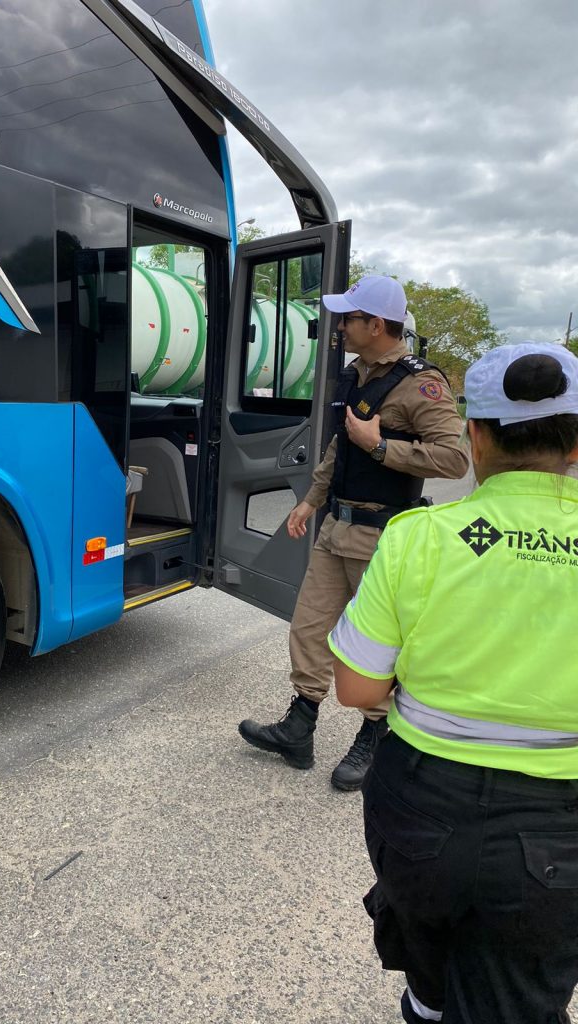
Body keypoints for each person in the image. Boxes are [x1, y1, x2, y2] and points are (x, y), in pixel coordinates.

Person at [329, 342, 578, 1023]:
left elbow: (356, 689)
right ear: (576, 444)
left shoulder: (418, 536)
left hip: (421, 809)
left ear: (476, 436)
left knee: (430, 989)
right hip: (559, 824)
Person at [238, 275, 469, 790]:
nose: (340, 326)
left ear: (377, 325)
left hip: (382, 535)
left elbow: (453, 459)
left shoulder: (420, 384)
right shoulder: (355, 374)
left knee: (376, 643)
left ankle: (374, 737)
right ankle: (299, 727)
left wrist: (381, 447)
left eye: (350, 318)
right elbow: (339, 447)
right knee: (308, 628)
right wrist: (311, 499)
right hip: (336, 526)